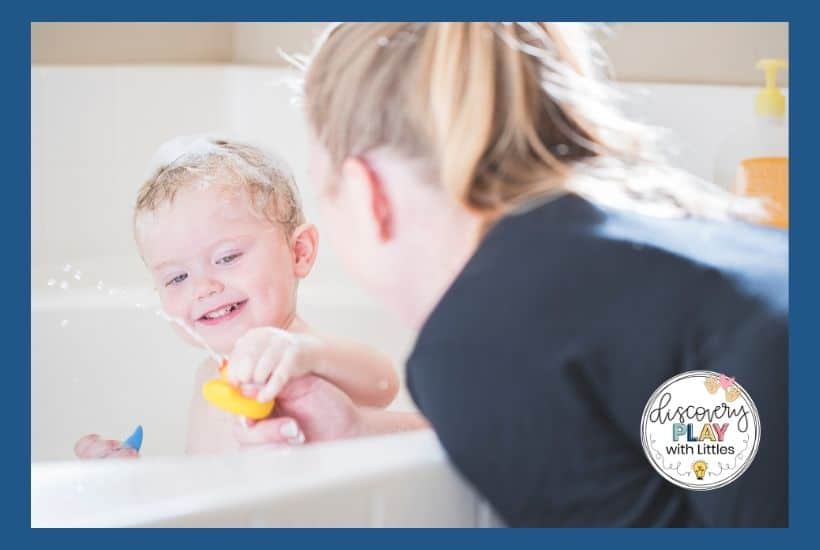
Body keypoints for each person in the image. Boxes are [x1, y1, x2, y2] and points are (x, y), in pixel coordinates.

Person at [276, 22, 786, 526]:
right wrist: (359, 430)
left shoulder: (478, 337)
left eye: (327, 194)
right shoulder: (683, 232)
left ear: (370, 196)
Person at [73, 135, 408, 458]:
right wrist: (129, 480)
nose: (203, 287)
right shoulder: (208, 373)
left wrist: (307, 354)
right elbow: (202, 483)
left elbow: (384, 383)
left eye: (227, 258)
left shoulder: (298, 353)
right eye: (176, 277)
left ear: (299, 252)